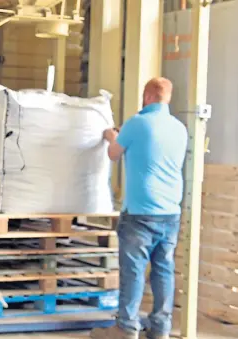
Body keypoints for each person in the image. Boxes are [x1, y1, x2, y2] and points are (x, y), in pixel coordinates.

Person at [90, 77, 188, 339]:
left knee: (133, 271)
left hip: (140, 213)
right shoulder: (180, 128)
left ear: (146, 97)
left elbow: (113, 153)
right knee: (163, 269)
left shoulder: (137, 123)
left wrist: (113, 135)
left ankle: (126, 328)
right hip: (170, 213)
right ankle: (160, 329)